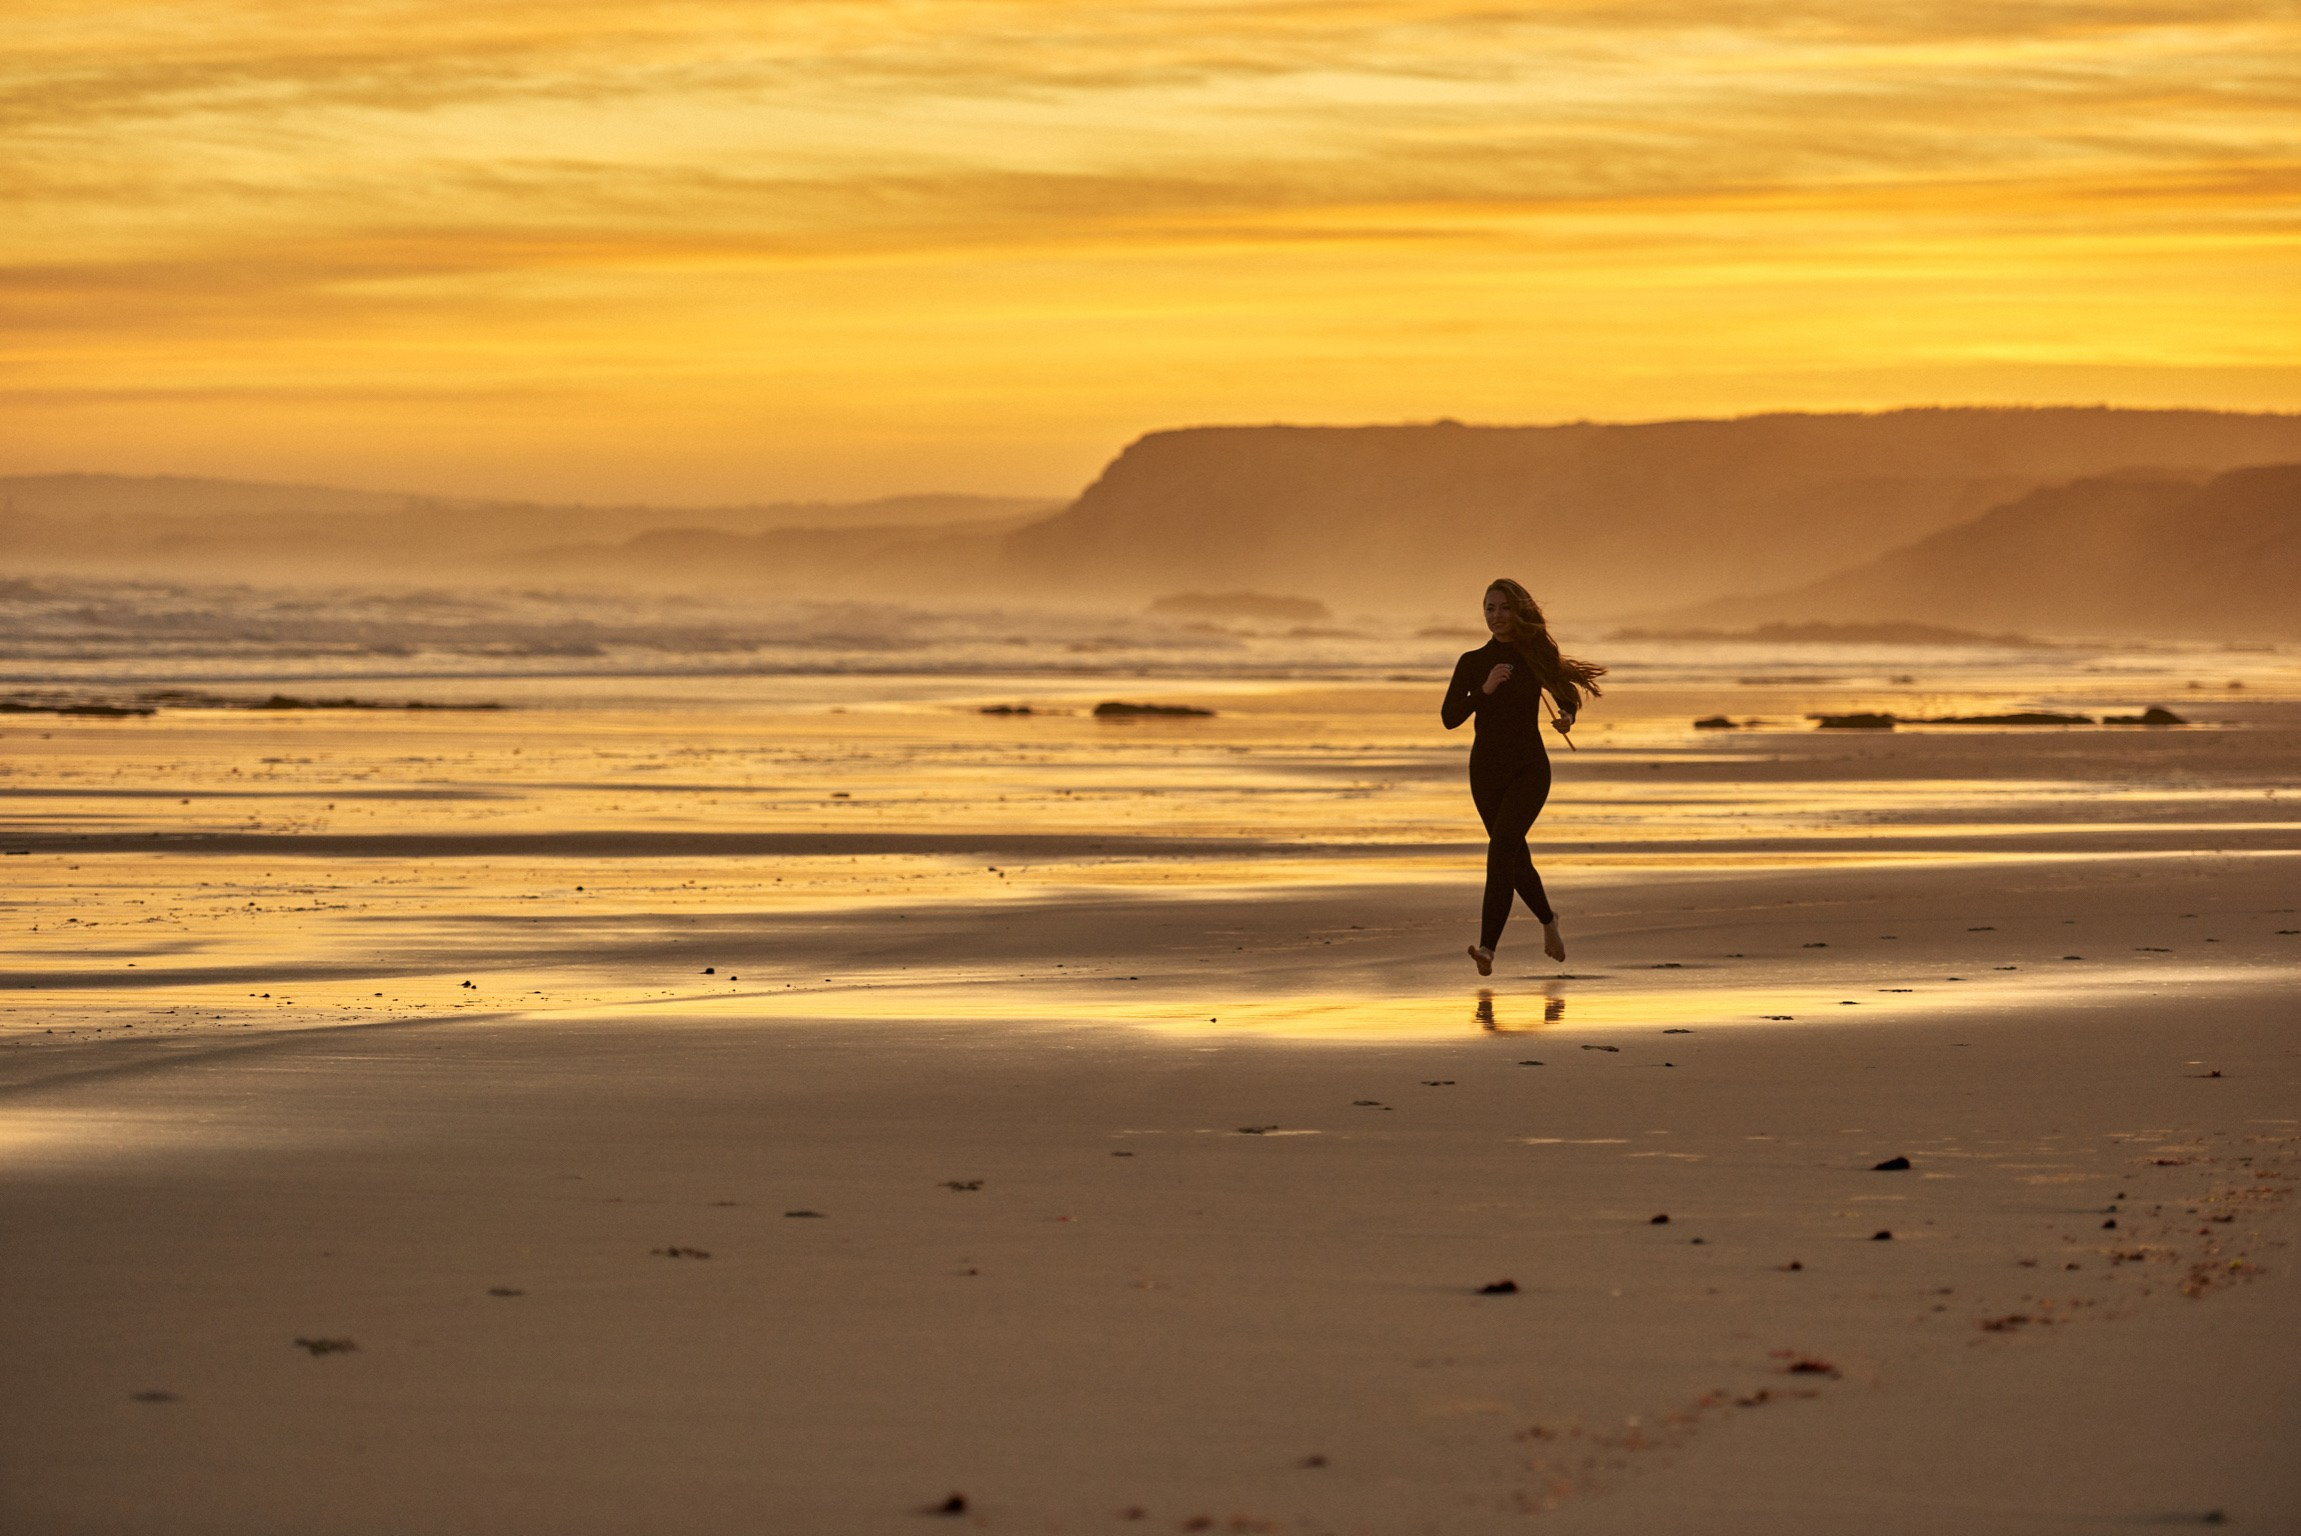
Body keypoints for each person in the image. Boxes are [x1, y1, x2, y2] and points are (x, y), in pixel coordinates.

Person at [1440, 578, 1605, 975]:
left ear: (1519, 612)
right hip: (1484, 773)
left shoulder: (1535, 655)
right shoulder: (1472, 662)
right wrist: (1485, 689)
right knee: (1514, 858)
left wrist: (1567, 717)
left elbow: (1565, 694)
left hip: (1530, 768)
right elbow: (1449, 718)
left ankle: (1487, 949)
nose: (1495, 617)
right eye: (1489, 609)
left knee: (1501, 850)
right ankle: (1549, 920)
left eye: (1503, 608)